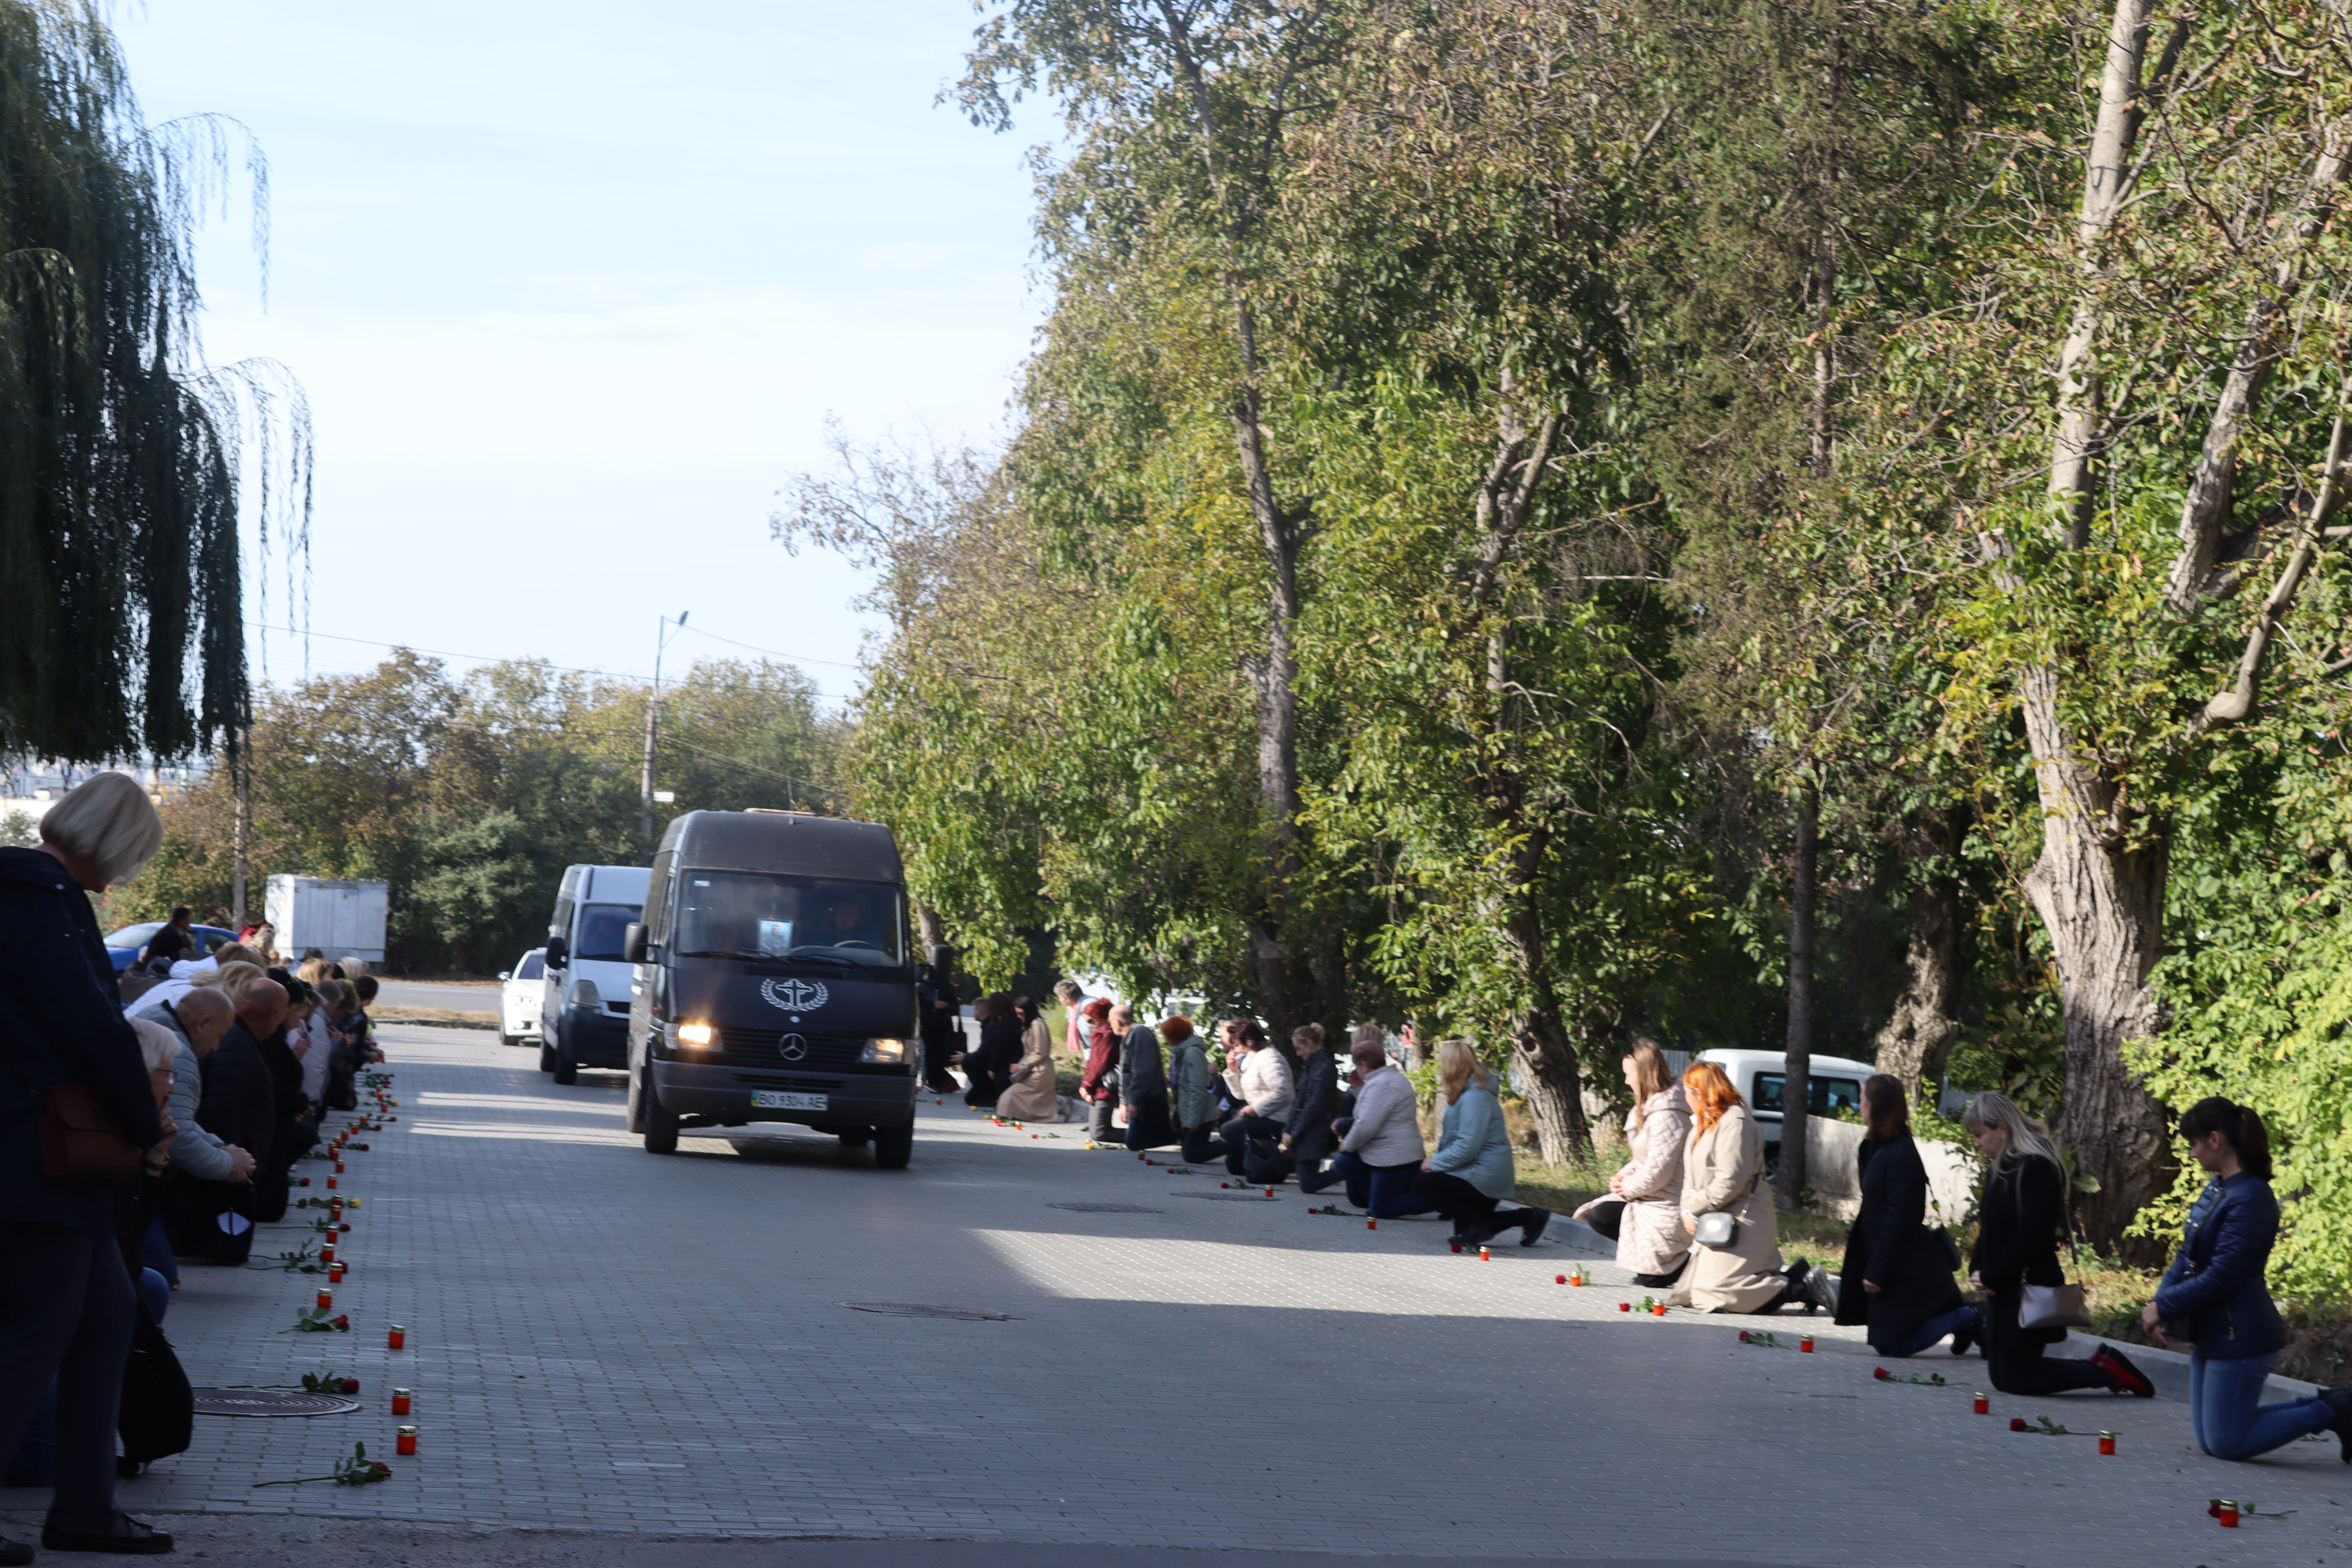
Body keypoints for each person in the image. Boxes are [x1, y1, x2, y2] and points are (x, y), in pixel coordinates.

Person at [0, 770, 177, 1556]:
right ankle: (80, 1505)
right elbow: (92, 1029)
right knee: (31, 1336)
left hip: (33, 1148)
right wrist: (147, 1124)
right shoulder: (47, 902)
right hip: (40, 1155)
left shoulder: (19, 888)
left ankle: (85, 1504)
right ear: (117, 844)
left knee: (107, 1314)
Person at [2138, 1097, 2351, 1458]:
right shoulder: (2219, 1188)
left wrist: (2163, 1305)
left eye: (2195, 1144)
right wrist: (2163, 1305)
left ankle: (2334, 1411)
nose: (2192, 1154)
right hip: (2213, 1332)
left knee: (2227, 1442)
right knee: (2213, 1440)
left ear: (2216, 1140)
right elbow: (2186, 1258)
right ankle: (2338, 1406)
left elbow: (2224, 1277)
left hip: (2242, 1335)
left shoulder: (2252, 1197)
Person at [1961, 1091, 2152, 1400]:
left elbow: (2033, 1234)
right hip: (2003, 1287)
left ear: (2003, 1130)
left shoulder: (2036, 1166)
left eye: (1980, 1135)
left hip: (2027, 1285)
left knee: (2017, 1378)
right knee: (2002, 1378)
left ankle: (2107, 1371)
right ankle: (2100, 1366)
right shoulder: (2001, 1167)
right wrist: (1979, 1270)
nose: (1976, 1143)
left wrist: (1993, 1274)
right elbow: (1991, 1226)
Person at [1835, 1074, 1969, 1352]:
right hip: (1885, 1254)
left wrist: (1878, 1272)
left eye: (1863, 1100)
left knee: (1894, 1346)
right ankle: (1962, 1320)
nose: (1859, 1105)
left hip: (1902, 1261)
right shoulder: (1874, 1146)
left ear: (1877, 1106)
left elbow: (1902, 1217)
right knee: (1888, 1342)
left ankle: (1968, 1317)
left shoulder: (1900, 1154)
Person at [1666, 1061, 1806, 1313]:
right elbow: (1691, 1177)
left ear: (1699, 1093)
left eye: (1687, 1092)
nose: (1684, 1098)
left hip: (1744, 1218)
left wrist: (1693, 1209)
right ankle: (1796, 1278)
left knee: (1721, 1294)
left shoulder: (1735, 1122)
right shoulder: (1703, 1122)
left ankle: (1803, 1286)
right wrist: (1686, 1210)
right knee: (1699, 1291)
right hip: (1718, 1217)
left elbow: (1730, 1181)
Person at [1410, 1039, 1548, 1246]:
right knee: (1471, 1230)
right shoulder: (1468, 1094)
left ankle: (1479, 1223)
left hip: (1484, 1176)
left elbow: (1468, 1146)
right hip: (1478, 1172)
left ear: (1452, 1067)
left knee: (1423, 1185)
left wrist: (1435, 1163)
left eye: (1443, 1064)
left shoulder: (1474, 1098)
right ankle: (1528, 1217)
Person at [1580, 1040, 1691, 1288]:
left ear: (1645, 1074)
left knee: (1651, 1279)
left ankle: (1691, 1266)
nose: (1627, 1081)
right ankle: (1658, 1261)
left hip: (1666, 1204)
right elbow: (1644, 1158)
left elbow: (1658, 1173)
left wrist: (1627, 1188)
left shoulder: (1668, 1116)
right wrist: (1622, 1178)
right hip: (1650, 1198)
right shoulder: (1651, 1108)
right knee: (1598, 1214)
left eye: (1629, 1075)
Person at [1328, 1028, 1429, 1217]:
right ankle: (1381, 1199)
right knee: (1344, 1163)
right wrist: (1358, 1088)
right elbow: (1367, 1109)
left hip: (1394, 1158)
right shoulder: (1384, 1080)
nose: (1357, 1071)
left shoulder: (1383, 1084)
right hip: (1386, 1153)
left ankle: (1436, 1201)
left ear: (1364, 1065)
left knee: (1380, 1210)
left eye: (1358, 1067)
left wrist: (1346, 1146)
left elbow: (1365, 1126)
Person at [1217, 1019, 1291, 1178]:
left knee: (1228, 1130)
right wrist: (1233, 1072)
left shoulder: (1270, 1058)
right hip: (1263, 1114)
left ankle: (1276, 1161)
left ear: (1248, 1040)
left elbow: (1284, 1092)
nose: (1234, 1048)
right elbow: (1241, 1095)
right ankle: (1256, 1163)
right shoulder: (1251, 1057)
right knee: (1234, 1167)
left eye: (1236, 1044)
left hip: (1277, 1118)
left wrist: (1255, 1109)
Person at [1281, 1023, 1339, 1191]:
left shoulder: (1324, 1068)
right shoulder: (1315, 1066)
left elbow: (1313, 1107)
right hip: (1304, 1132)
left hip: (1312, 1132)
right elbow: (1300, 1102)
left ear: (1309, 1043)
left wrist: (1293, 1133)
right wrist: (1288, 1130)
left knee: (1308, 1184)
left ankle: (1347, 1171)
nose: (1298, 1054)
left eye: (1299, 1049)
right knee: (1305, 1180)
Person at [1165, 1017, 1225, 1164]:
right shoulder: (1182, 1051)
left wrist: (1194, 1120)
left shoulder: (1191, 1053)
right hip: (1189, 1109)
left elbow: (1197, 1088)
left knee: (1192, 1156)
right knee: (1189, 1151)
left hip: (1200, 1114)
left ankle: (1233, 1145)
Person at [995, 996, 1059, 1122]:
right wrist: (1020, 1066)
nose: (1018, 1016)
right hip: (1032, 1068)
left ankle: (1058, 1106)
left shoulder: (1038, 1024)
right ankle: (1058, 1105)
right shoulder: (1029, 1025)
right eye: (1017, 1013)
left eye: (1021, 1013)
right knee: (1011, 1096)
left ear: (1029, 1011)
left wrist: (1022, 1066)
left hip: (1041, 1070)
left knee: (1012, 1095)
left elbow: (1041, 1052)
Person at [918, 953, 965, 1094]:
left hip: (943, 1027)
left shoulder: (948, 988)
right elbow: (915, 1004)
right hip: (926, 1026)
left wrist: (947, 1006)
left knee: (940, 1054)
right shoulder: (923, 986)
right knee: (930, 1052)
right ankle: (933, 1083)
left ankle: (939, 1082)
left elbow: (956, 1009)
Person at [1077, 999, 1120, 1145]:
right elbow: (1093, 1064)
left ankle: (1145, 1137)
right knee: (1098, 1132)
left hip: (1105, 1087)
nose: (1088, 1026)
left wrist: (1086, 1086)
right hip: (1100, 1087)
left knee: (1099, 1132)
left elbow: (1099, 1064)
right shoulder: (1101, 1033)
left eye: (1090, 1021)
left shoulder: (1108, 1034)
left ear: (1099, 1017)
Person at [142, 907, 196, 972]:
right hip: (160, 975)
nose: (191, 922)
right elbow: (154, 959)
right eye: (189, 919)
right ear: (182, 921)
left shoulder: (183, 935)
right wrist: (178, 954)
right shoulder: (164, 935)